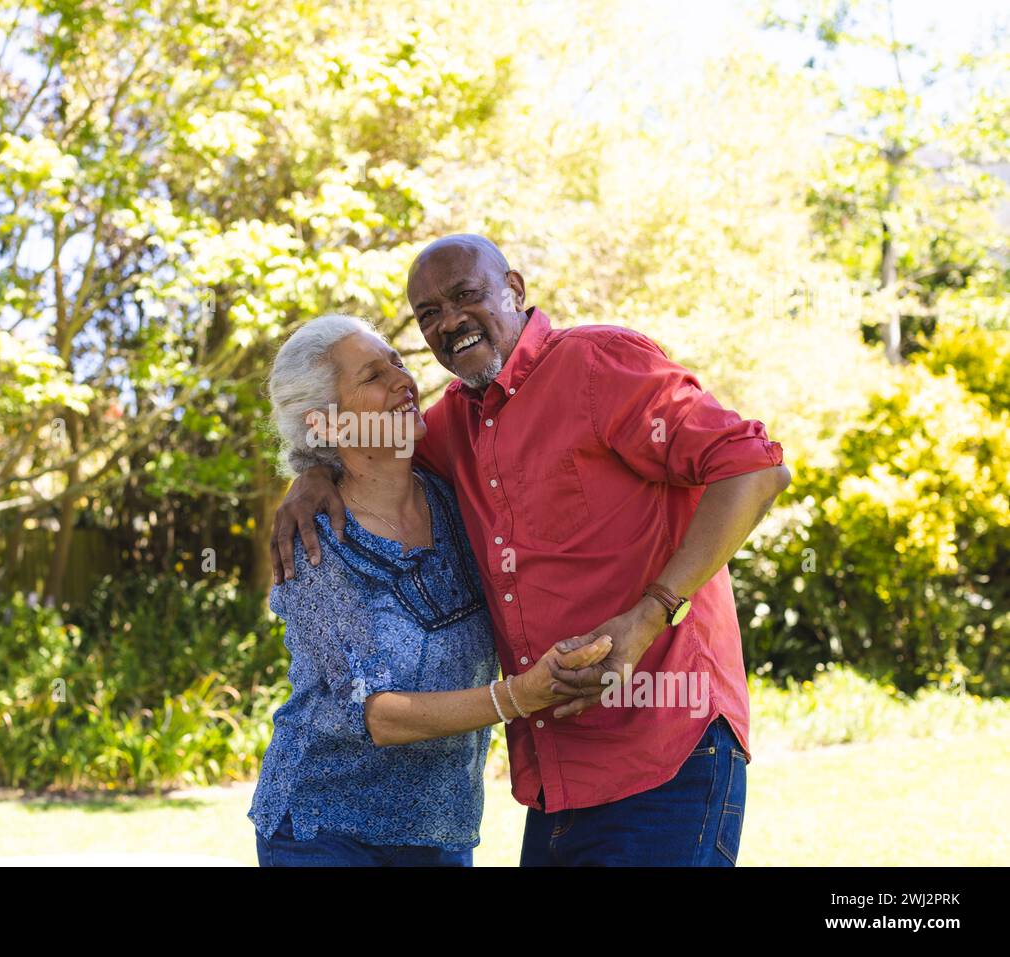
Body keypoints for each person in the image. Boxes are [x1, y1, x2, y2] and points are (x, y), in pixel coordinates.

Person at [271, 236, 792, 866]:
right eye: (428, 314)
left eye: (466, 295)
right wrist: (312, 475)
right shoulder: (450, 427)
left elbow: (753, 469)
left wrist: (650, 613)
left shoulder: (599, 362)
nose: (449, 321)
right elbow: (368, 454)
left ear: (514, 290)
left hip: (667, 746)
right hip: (557, 775)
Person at [248, 313, 613, 866]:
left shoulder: (461, 501)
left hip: (440, 831)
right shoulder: (313, 544)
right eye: (372, 376)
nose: (404, 379)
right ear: (325, 424)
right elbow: (372, 712)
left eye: (396, 361)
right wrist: (521, 696)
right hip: (323, 829)